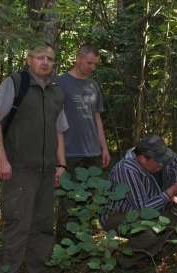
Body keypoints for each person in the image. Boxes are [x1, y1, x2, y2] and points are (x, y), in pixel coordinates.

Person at [0, 44, 69, 273]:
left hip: (47, 171)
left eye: (50, 58)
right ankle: (9, 269)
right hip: (19, 169)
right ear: (29, 59)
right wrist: (1, 159)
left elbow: (59, 130)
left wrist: (61, 164)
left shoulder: (56, 91)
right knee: (18, 225)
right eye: (40, 57)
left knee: (44, 226)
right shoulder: (16, 83)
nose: (45, 62)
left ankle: (38, 268)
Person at [99, 135, 177, 268]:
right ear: (142, 158)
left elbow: (175, 162)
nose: (162, 164)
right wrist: (171, 191)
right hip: (117, 215)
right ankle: (122, 259)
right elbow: (142, 211)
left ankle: (152, 254)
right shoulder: (127, 169)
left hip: (147, 212)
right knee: (150, 234)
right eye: (158, 161)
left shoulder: (154, 165)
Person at [56, 43, 110, 240]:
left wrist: (104, 147)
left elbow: (96, 118)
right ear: (78, 59)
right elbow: (53, 118)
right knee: (67, 205)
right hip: (69, 153)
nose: (92, 67)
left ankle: (84, 245)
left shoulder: (93, 85)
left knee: (90, 202)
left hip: (92, 153)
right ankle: (63, 246)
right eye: (89, 63)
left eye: (95, 64)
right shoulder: (60, 82)